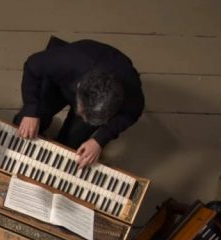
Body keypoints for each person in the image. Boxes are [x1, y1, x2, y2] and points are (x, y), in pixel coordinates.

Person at [14, 38, 145, 168]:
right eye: (81, 112)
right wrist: (31, 111)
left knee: (71, 149)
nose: (80, 115)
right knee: (23, 123)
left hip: (89, 92)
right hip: (61, 81)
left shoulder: (132, 94)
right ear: (79, 86)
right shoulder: (68, 60)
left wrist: (99, 140)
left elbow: (131, 114)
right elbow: (33, 65)